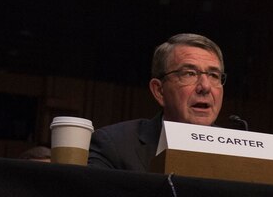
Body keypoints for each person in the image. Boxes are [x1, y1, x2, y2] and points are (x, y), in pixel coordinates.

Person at [88, 33, 226, 171]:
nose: (206, 87)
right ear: (159, 91)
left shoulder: (240, 152)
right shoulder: (114, 146)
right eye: (189, 73)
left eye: (214, 75)